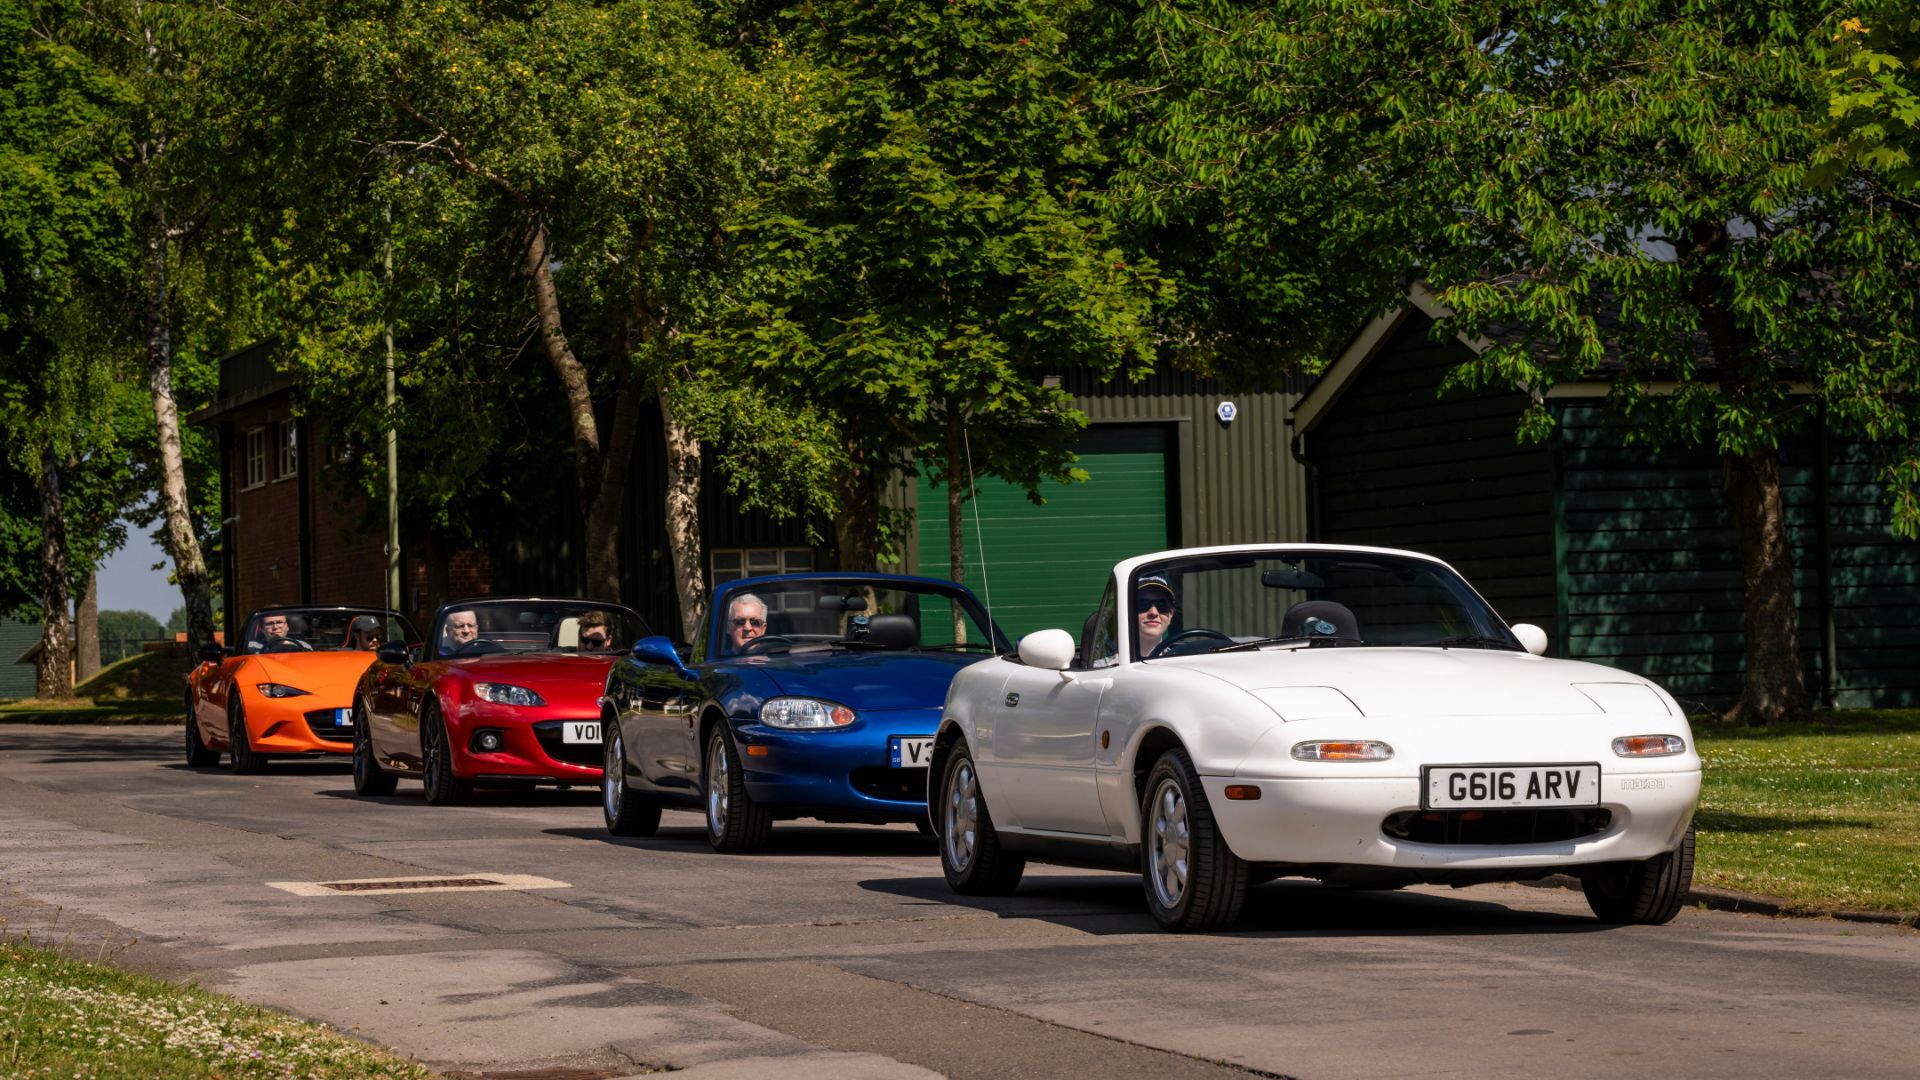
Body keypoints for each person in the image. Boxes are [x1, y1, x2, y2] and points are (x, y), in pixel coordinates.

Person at [1135, 576, 1177, 658]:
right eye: (1143, 604)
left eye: (1161, 605)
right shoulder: (1108, 668)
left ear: (1171, 615)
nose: (1154, 613)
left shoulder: (1183, 662)